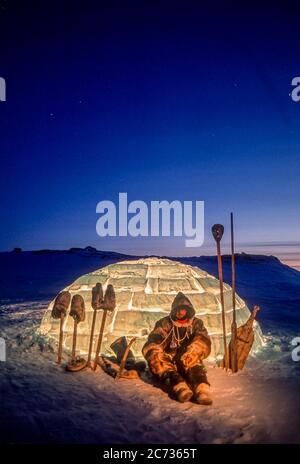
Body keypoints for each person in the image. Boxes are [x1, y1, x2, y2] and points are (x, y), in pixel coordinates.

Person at [142, 292, 212, 405]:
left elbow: (203, 340)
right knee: (156, 358)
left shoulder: (196, 323)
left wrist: (193, 351)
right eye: (178, 310)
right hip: (168, 359)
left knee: (194, 360)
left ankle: (202, 388)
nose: (180, 313)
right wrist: (156, 351)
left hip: (187, 357)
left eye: (183, 310)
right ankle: (178, 385)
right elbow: (154, 341)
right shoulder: (165, 323)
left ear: (188, 310)